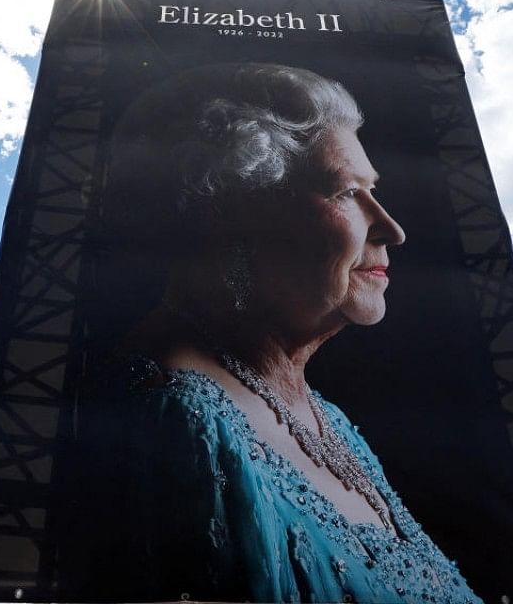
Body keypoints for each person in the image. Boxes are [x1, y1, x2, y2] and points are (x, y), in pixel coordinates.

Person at [70, 63, 482, 604]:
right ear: (237, 215)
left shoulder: (328, 419)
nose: (392, 229)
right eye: (345, 192)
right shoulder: (178, 416)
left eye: (373, 190)